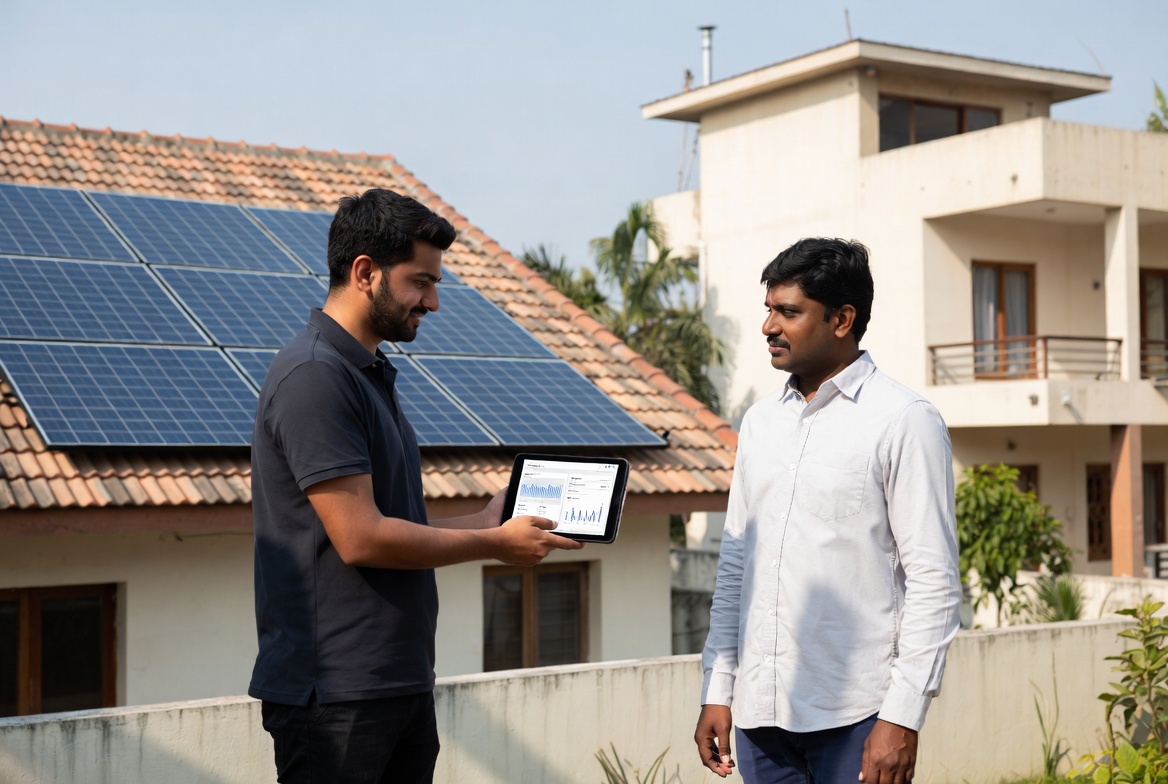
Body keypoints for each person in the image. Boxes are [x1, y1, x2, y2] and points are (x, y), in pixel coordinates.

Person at [248, 188, 584, 784]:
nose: (433, 302)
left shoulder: (367, 373)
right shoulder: (315, 377)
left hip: (392, 684)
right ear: (365, 272)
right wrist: (494, 546)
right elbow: (361, 538)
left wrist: (482, 522)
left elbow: (387, 522)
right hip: (335, 696)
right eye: (421, 282)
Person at [694, 238, 961, 784]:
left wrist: (902, 718)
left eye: (788, 312)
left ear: (843, 319)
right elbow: (736, 566)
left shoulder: (904, 420)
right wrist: (717, 687)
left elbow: (934, 582)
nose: (769, 326)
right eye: (768, 309)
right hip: (760, 720)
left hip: (857, 719)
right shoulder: (760, 423)